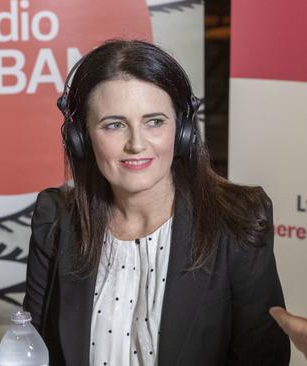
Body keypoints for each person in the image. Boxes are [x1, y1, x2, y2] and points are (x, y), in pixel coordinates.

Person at [23, 40, 289, 366]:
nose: (136, 144)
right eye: (114, 125)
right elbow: (33, 350)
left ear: (183, 131)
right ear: (82, 138)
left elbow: (263, 359)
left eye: (155, 122)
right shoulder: (56, 219)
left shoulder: (239, 220)